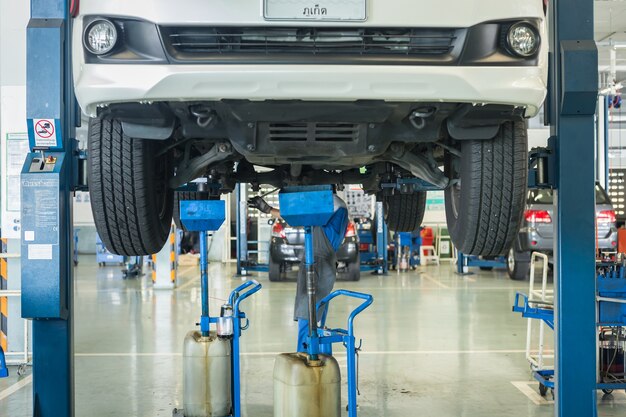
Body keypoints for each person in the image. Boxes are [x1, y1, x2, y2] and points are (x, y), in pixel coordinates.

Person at [248, 192, 349, 354]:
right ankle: (314, 353)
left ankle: (306, 356)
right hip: (321, 263)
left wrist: (268, 209)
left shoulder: (330, 204)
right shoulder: (338, 209)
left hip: (317, 264)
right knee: (316, 312)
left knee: (307, 311)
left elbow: (297, 217)